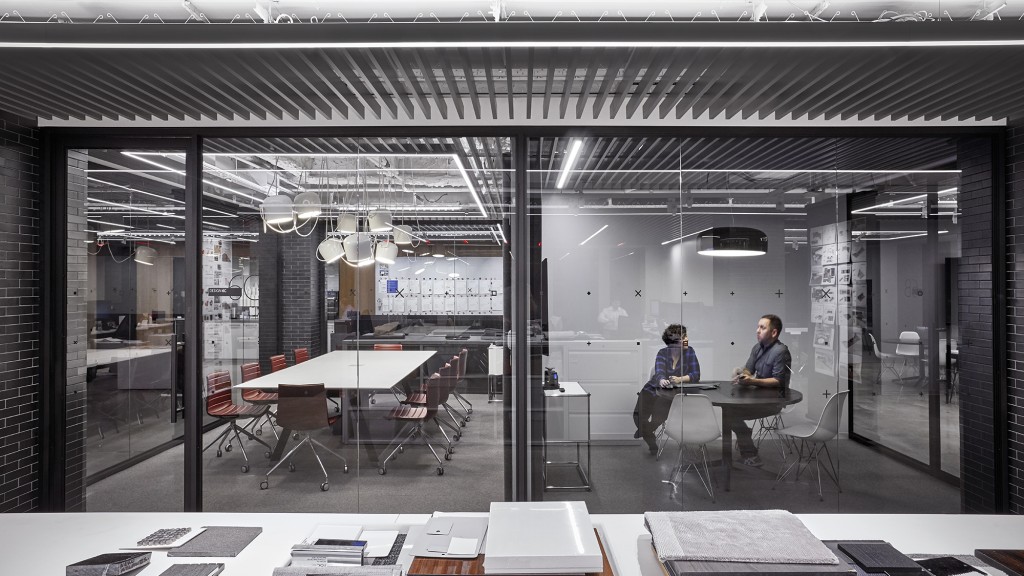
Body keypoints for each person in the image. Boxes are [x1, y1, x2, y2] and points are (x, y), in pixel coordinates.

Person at [728, 313, 792, 467]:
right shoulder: (757, 348)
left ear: (774, 332)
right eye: (757, 327)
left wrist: (752, 380)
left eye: (762, 327)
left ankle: (750, 453)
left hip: (773, 401)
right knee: (728, 411)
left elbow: (778, 381)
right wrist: (742, 374)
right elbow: (748, 370)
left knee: (730, 415)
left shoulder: (781, 351)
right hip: (757, 398)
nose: (757, 330)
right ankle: (745, 436)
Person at [633, 324, 701, 454]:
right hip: (652, 388)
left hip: (671, 394)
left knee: (658, 418)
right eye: (684, 337)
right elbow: (659, 372)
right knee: (637, 416)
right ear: (674, 342)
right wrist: (662, 380)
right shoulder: (662, 353)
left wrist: (680, 379)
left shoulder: (689, 351)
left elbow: (696, 375)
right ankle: (650, 437)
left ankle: (644, 432)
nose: (687, 339)